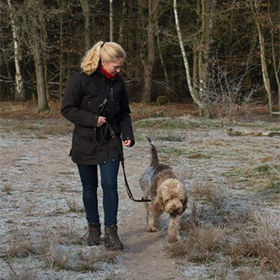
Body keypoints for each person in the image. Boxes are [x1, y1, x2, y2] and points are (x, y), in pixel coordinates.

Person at [61, 41, 135, 250]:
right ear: (104, 61)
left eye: (121, 67)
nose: (119, 71)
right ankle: (93, 228)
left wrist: (127, 134)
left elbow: (124, 112)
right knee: (89, 188)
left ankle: (112, 232)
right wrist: (92, 119)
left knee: (110, 185)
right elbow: (67, 109)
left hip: (111, 141)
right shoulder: (80, 79)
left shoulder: (118, 82)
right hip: (85, 141)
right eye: (116, 66)